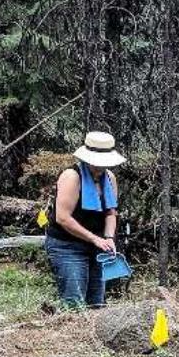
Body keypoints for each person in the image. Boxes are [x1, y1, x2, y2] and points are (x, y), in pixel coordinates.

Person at [45, 131, 124, 309]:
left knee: (97, 303)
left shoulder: (110, 179)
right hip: (67, 246)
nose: (100, 167)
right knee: (74, 303)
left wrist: (109, 237)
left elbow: (111, 212)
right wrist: (95, 238)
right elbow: (62, 218)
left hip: (97, 248)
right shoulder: (72, 177)